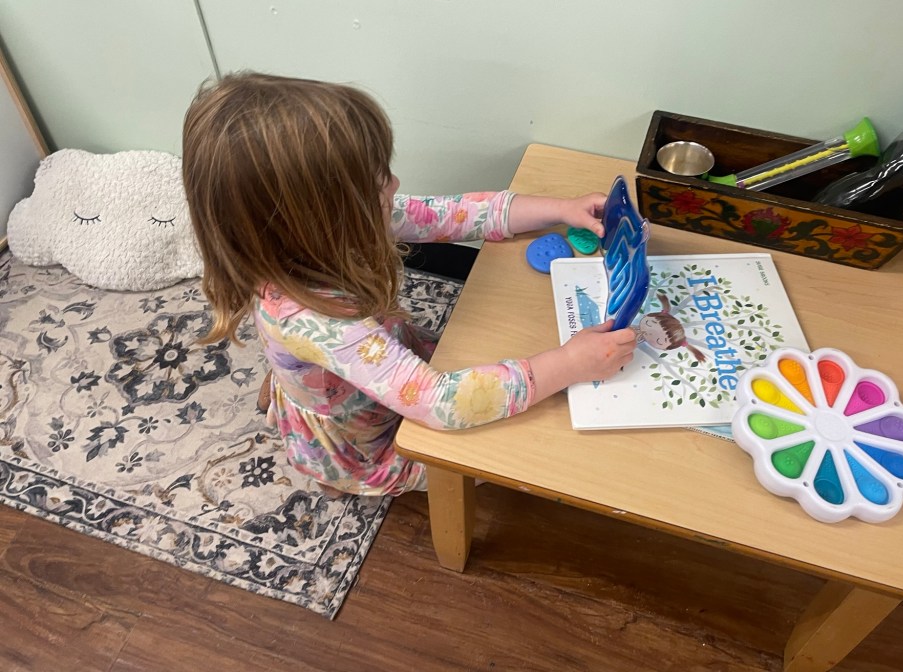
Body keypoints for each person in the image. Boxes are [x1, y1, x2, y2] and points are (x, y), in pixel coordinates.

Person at [181, 72, 636, 496]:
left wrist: (561, 208)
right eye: (378, 180)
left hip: (368, 360)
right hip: (368, 444)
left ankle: (297, 387)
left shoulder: (327, 231)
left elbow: (454, 214)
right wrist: (568, 364)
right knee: (514, 455)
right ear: (319, 217)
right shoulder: (321, 324)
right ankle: (329, 467)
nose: (395, 182)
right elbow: (443, 402)